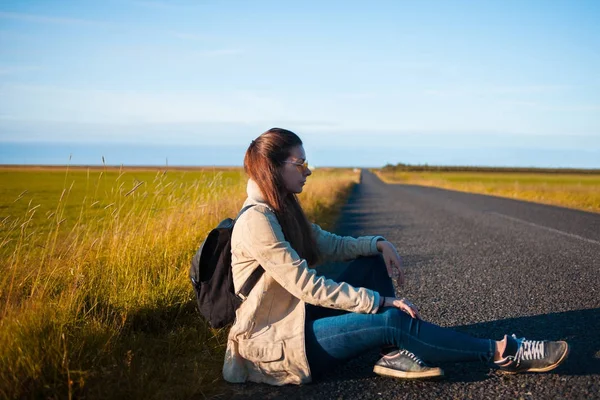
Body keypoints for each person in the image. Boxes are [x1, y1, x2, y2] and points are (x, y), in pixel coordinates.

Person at [223, 128, 569, 385]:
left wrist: (378, 243)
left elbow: (329, 244)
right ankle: (504, 352)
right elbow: (306, 286)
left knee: (371, 263)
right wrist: (379, 301)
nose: (308, 171)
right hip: (276, 345)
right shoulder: (257, 221)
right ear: (273, 167)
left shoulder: (281, 209)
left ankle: (389, 353)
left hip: (295, 319)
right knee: (392, 319)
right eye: (301, 163)